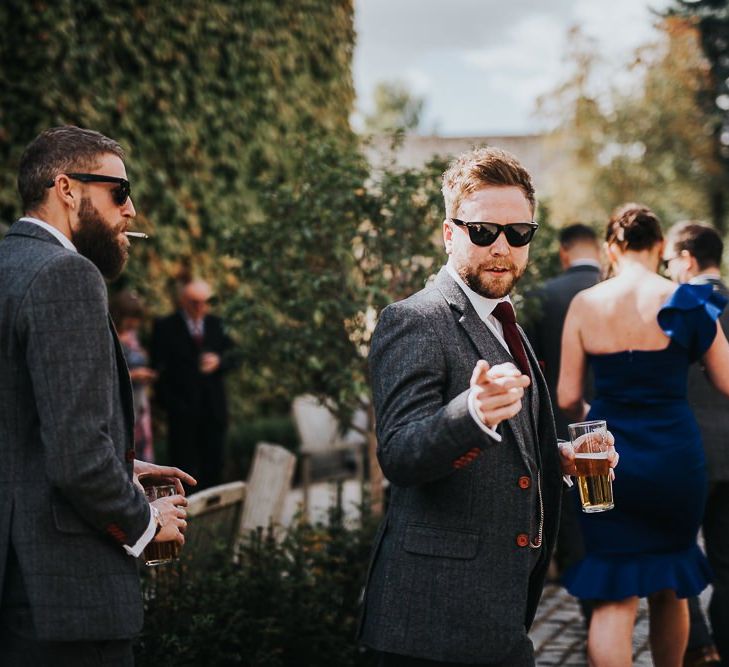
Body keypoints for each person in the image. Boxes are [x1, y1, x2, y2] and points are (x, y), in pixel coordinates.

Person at [358, 146, 617, 666]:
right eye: (484, 231)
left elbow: (512, 438)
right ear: (450, 233)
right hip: (430, 621)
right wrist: (469, 413)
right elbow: (401, 455)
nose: (502, 246)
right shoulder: (416, 319)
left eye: (518, 233)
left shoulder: (506, 323)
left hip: (495, 615)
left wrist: (561, 456)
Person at [0, 125, 195, 666]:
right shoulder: (68, 274)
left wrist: (124, 466)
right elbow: (77, 457)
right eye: (120, 191)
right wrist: (144, 522)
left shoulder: (8, 268)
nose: (130, 210)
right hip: (65, 598)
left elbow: (20, 432)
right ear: (66, 188)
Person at [558, 204, 729, 666]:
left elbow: (568, 395)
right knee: (671, 583)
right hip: (675, 457)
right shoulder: (689, 301)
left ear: (612, 249)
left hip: (603, 458)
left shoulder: (586, 304)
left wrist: (599, 412)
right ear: (658, 247)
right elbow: (727, 379)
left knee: (615, 594)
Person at [525, 223, 601, 619]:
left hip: (562, 425)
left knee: (575, 522)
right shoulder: (618, 291)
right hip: (617, 424)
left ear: (564, 252)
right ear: (601, 250)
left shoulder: (543, 297)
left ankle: (594, 610)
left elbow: (532, 372)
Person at [664, 221, 729, 667]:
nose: (669, 270)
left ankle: (698, 645)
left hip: (688, 455)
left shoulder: (675, 307)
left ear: (686, 259)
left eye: (670, 261)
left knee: (677, 556)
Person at [152, 279, 236, 490]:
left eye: (204, 302)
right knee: (183, 472)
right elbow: (157, 368)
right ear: (183, 301)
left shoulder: (217, 324)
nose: (200, 307)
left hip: (213, 410)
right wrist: (171, 404)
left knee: (214, 467)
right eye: (194, 302)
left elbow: (236, 356)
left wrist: (219, 362)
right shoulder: (165, 326)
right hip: (182, 414)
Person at [111, 290, 157, 463]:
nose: (134, 322)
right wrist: (133, 375)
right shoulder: (110, 337)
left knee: (142, 447)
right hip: (121, 401)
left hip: (139, 399)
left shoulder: (133, 337)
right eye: (131, 317)